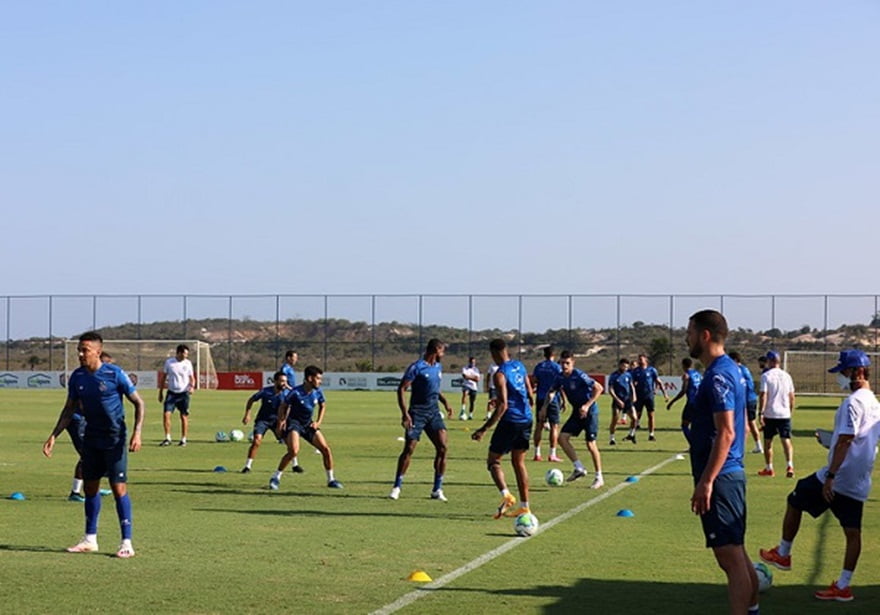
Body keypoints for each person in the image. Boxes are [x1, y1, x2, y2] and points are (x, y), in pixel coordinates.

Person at [760, 350, 880, 602]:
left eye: (844, 372)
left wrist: (831, 475)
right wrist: (831, 442)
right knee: (853, 533)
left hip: (838, 476)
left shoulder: (853, 403)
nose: (842, 378)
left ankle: (784, 553)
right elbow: (860, 440)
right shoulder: (874, 403)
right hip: (858, 479)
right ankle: (844, 586)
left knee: (795, 499)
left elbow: (847, 440)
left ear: (858, 372)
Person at [42, 331, 145, 558]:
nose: (80, 354)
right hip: (92, 437)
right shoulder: (77, 377)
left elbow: (139, 403)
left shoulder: (114, 374)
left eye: (85, 350)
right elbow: (69, 409)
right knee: (90, 488)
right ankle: (90, 539)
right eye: (79, 349)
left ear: (97, 351)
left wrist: (137, 433)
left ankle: (126, 542)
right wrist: (54, 435)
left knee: (119, 489)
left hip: (114, 438)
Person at [685, 310, 757, 614]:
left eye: (689, 332)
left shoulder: (718, 374)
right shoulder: (731, 370)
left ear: (704, 335)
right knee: (737, 553)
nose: (686, 339)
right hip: (729, 473)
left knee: (729, 557)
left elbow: (726, 431)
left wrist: (707, 481)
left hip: (722, 477)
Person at [471, 338, 535, 519]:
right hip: (526, 419)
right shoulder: (520, 366)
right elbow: (529, 394)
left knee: (493, 461)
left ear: (493, 353)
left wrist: (483, 429)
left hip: (510, 421)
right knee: (518, 463)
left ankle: (506, 496)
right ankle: (525, 507)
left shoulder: (499, 374)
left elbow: (504, 406)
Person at [389, 338, 453, 501]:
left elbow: (434, 389)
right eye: (442, 350)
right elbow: (402, 388)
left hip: (433, 412)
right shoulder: (416, 367)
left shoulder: (437, 367)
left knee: (443, 447)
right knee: (409, 448)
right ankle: (397, 486)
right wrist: (405, 413)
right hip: (417, 412)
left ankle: (437, 489)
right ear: (435, 350)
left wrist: (445, 402)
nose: (443, 354)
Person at [268, 366, 342, 490]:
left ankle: (331, 480)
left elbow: (322, 406)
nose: (320, 381)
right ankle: (276, 477)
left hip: (308, 424)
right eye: (318, 378)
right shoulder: (295, 392)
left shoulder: (317, 392)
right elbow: (283, 406)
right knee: (294, 451)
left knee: (326, 449)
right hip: (294, 424)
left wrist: (318, 422)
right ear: (309, 378)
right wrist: (281, 423)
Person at [541, 350, 605, 489]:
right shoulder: (560, 377)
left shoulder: (579, 375)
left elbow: (599, 388)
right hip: (577, 412)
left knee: (590, 444)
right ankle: (579, 468)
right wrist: (544, 407)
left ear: (573, 363)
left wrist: (587, 406)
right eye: (562, 363)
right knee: (562, 438)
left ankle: (599, 477)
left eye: (567, 363)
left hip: (590, 412)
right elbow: (552, 392)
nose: (564, 366)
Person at [240, 371, 289, 473]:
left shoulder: (287, 394)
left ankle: (295, 465)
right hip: (263, 420)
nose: (284, 383)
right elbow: (251, 400)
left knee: (289, 443)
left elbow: (298, 396)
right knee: (256, 441)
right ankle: (247, 466)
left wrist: (283, 421)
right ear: (275, 381)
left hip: (278, 421)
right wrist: (247, 414)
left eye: (286, 381)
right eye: (282, 381)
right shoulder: (265, 391)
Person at [758, 350, 796, 478]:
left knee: (768, 442)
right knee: (786, 440)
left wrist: (761, 412)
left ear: (769, 361)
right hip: (784, 413)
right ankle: (790, 465)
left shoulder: (766, 376)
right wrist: (790, 410)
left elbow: (764, 395)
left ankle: (769, 468)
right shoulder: (787, 376)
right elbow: (792, 396)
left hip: (770, 413)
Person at [158, 344, 195, 446]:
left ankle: (183, 439)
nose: (186, 356)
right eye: (184, 353)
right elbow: (164, 378)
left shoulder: (188, 363)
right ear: (179, 352)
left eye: (187, 354)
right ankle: (167, 438)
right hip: (171, 394)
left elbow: (192, 378)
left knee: (184, 417)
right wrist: (160, 392)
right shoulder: (169, 363)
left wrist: (192, 387)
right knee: (166, 415)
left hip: (183, 394)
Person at [532, 346, 563, 462]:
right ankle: (552, 454)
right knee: (554, 426)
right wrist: (564, 399)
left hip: (540, 397)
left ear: (544, 355)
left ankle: (537, 453)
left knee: (539, 425)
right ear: (553, 355)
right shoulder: (557, 367)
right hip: (553, 399)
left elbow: (534, 380)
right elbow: (561, 383)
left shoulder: (539, 366)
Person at [729, 351, 763, 454]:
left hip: (746, 399)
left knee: (745, 424)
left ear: (734, 360)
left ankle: (741, 446)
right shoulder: (745, 369)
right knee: (750, 423)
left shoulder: (738, 370)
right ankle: (757, 445)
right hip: (752, 398)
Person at [631, 353, 670, 441]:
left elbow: (658, 382)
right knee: (636, 416)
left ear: (645, 360)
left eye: (641, 359)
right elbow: (632, 384)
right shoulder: (636, 371)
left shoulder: (652, 370)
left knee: (651, 416)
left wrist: (665, 394)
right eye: (639, 359)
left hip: (649, 396)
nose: (639, 361)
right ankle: (632, 434)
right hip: (639, 397)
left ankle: (651, 435)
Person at [279, 350, 303, 472]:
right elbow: (283, 382)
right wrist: (292, 390)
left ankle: (295, 463)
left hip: (291, 398)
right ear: (288, 357)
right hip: (286, 400)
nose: (295, 360)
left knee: (289, 435)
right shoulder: (285, 368)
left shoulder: (289, 368)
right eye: (294, 357)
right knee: (288, 431)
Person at [666, 357, 702, 441]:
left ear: (683, 365)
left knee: (684, 425)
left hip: (691, 403)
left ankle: (693, 443)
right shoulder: (698, 374)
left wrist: (672, 402)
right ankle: (698, 443)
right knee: (696, 424)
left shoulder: (686, 375)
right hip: (700, 402)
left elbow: (683, 391)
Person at [608, 358, 637, 445]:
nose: (625, 368)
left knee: (635, 419)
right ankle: (612, 438)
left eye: (627, 367)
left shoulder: (628, 375)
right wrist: (617, 399)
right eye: (624, 366)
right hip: (617, 400)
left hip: (627, 400)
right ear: (620, 365)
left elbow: (631, 385)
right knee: (615, 420)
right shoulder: (613, 376)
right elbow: (610, 389)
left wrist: (634, 395)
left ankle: (631, 435)